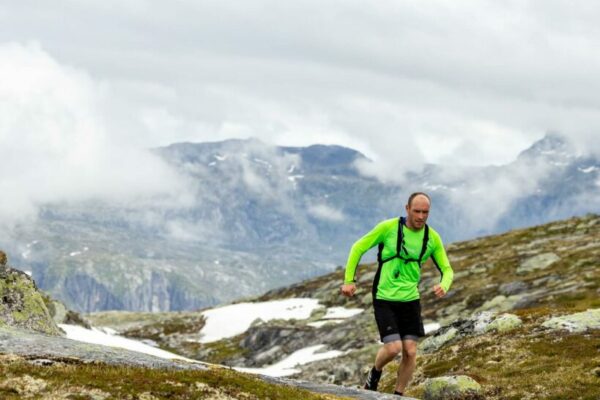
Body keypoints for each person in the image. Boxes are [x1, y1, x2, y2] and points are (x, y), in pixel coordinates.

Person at [340, 192, 453, 396]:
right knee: (393, 348)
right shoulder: (388, 228)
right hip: (384, 297)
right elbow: (358, 247)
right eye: (416, 211)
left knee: (410, 351)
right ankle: (375, 374)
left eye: (425, 212)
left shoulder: (432, 238)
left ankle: (397, 395)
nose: (420, 216)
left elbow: (447, 269)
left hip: (410, 300)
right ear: (407, 209)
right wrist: (349, 280)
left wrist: (444, 284)